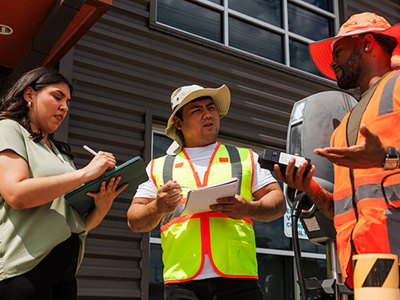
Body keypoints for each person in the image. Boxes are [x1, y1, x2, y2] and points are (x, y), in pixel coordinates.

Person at [273, 12, 400, 289]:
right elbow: (343, 209)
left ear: (367, 44)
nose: (332, 63)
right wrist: (311, 189)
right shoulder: (344, 125)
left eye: (339, 51)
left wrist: (387, 158)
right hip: (370, 268)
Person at [127, 84, 286, 299]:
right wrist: (158, 206)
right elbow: (134, 221)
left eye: (210, 108)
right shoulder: (158, 167)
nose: (208, 114)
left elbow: (278, 203)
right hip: (182, 284)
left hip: (239, 280)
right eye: (197, 110)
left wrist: (249, 208)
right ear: (178, 122)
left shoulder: (245, 157)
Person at [0, 67, 128, 299]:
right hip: (24, 271)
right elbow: (16, 194)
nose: (64, 107)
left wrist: (102, 206)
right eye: (57, 97)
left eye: (68, 102)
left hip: (65, 272)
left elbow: (75, 225)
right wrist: (85, 174)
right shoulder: (9, 129)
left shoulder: (62, 155)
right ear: (29, 95)